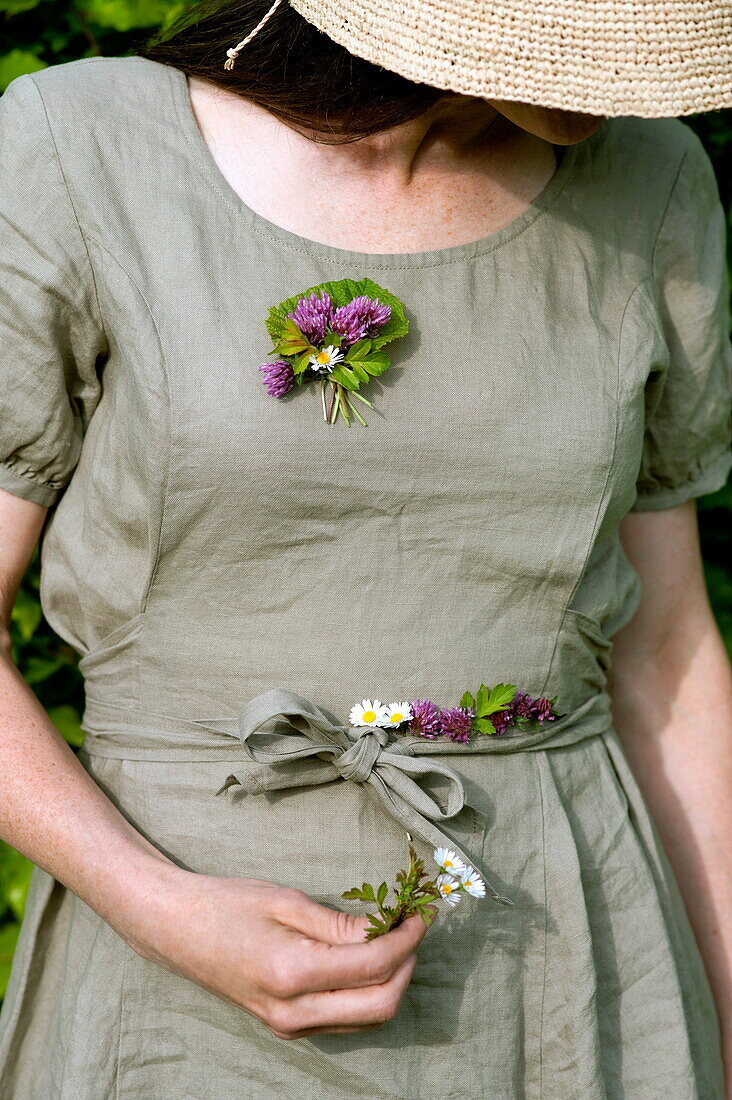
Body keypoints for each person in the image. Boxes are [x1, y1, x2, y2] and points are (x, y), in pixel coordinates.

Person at [0, 0, 731, 1094]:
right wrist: (159, 906)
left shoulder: (656, 184)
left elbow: (669, 658)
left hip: (573, 972)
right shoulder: (84, 146)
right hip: (175, 983)